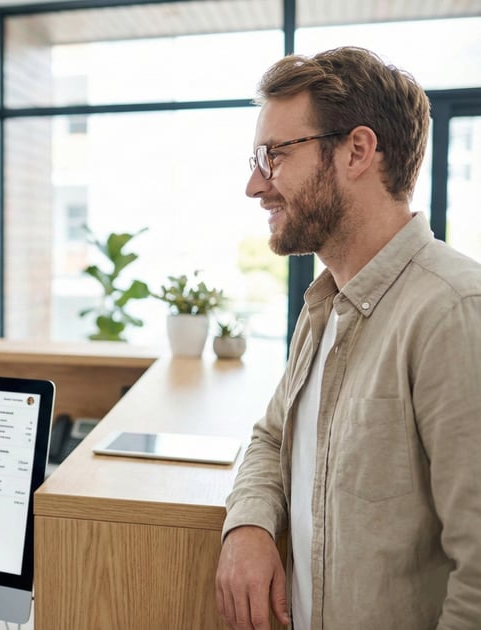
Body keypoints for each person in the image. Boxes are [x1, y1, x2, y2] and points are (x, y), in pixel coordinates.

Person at [215, 46, 481, 629]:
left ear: (357, 150)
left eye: (275, 155)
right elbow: (271, 437)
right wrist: (251, 525)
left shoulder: (454, 313)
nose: (255, 185)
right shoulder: (324, 305)